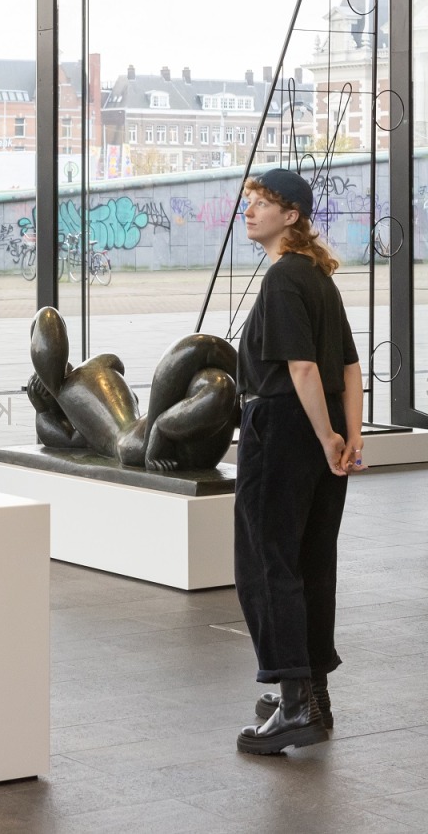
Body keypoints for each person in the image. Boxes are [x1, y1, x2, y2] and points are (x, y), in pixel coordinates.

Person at [234, 166, 364, 755]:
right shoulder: (319, 278)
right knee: (312, 561)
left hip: (285, 427)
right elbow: (350, 369)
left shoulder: (284, 277)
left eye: (263, 203)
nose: (250, 210)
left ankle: (292, 706)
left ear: (291, 216)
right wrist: (348, 437)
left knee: (268, 563)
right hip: (320, 426)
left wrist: (326, 436)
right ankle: (313, 697)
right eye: (251, 201)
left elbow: (304, 368)